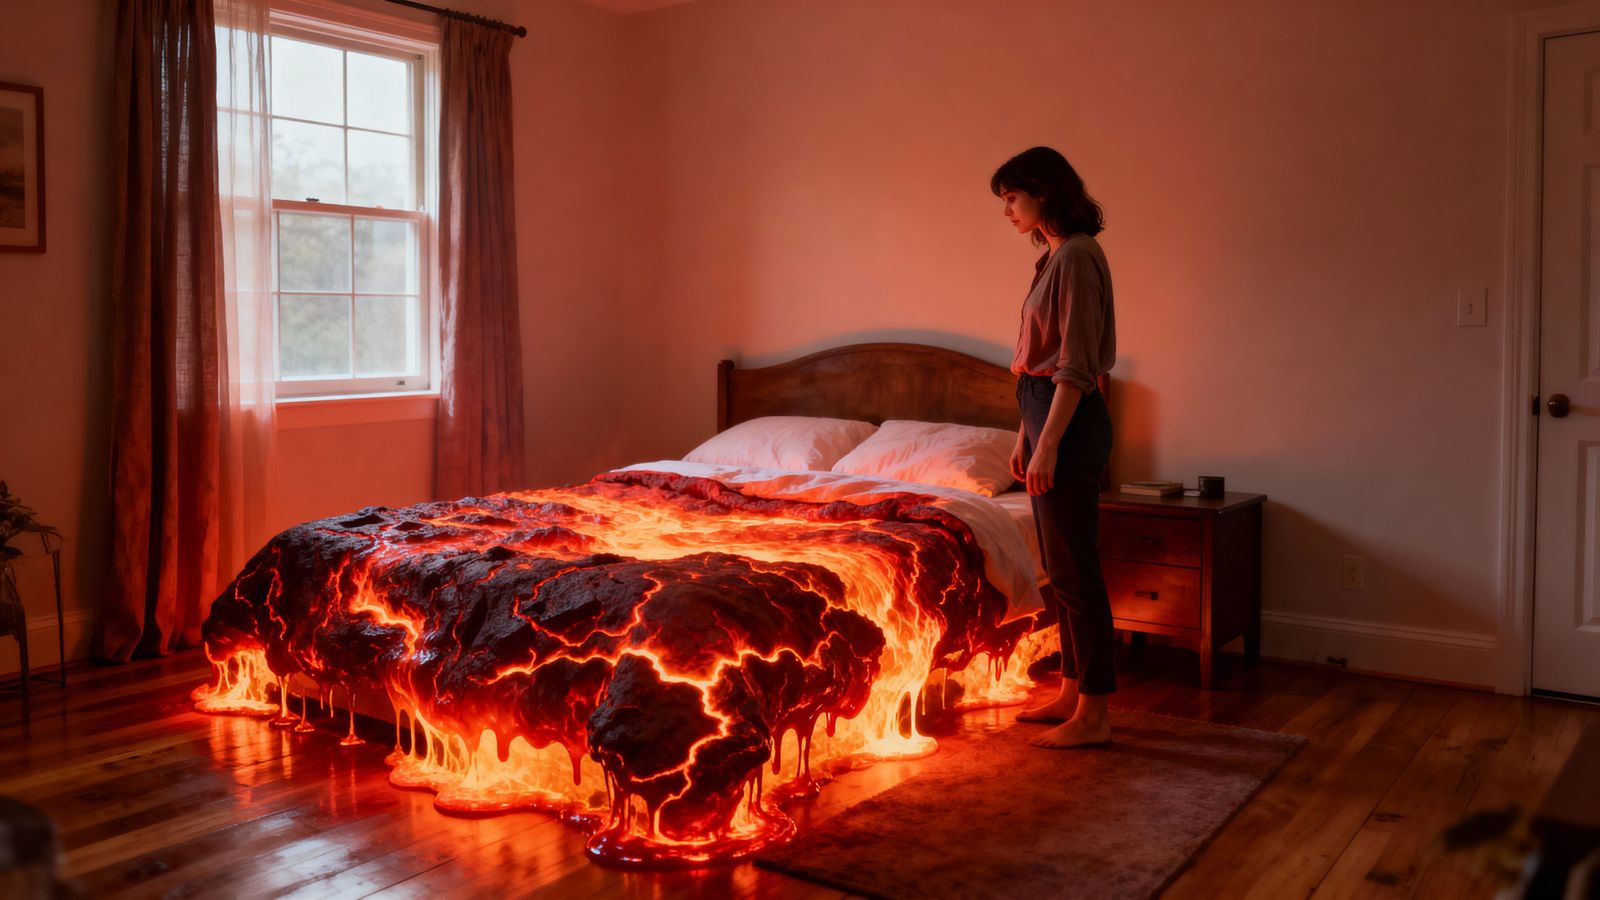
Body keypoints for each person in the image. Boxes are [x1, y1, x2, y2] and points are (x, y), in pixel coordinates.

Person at [993, 146, 1117, 749]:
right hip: (1043, 413)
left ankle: (1095, 713)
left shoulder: (1079, 257)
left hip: (1069, 418)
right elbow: (1034, 367)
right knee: (1061, 570)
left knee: (1076, 569)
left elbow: (1074, 366)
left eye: (1012, 198)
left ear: (1043, 192)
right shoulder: (1050, 259)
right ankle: (1072, 691)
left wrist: (1048, 444)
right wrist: (1025, 434)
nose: (1007, 211)